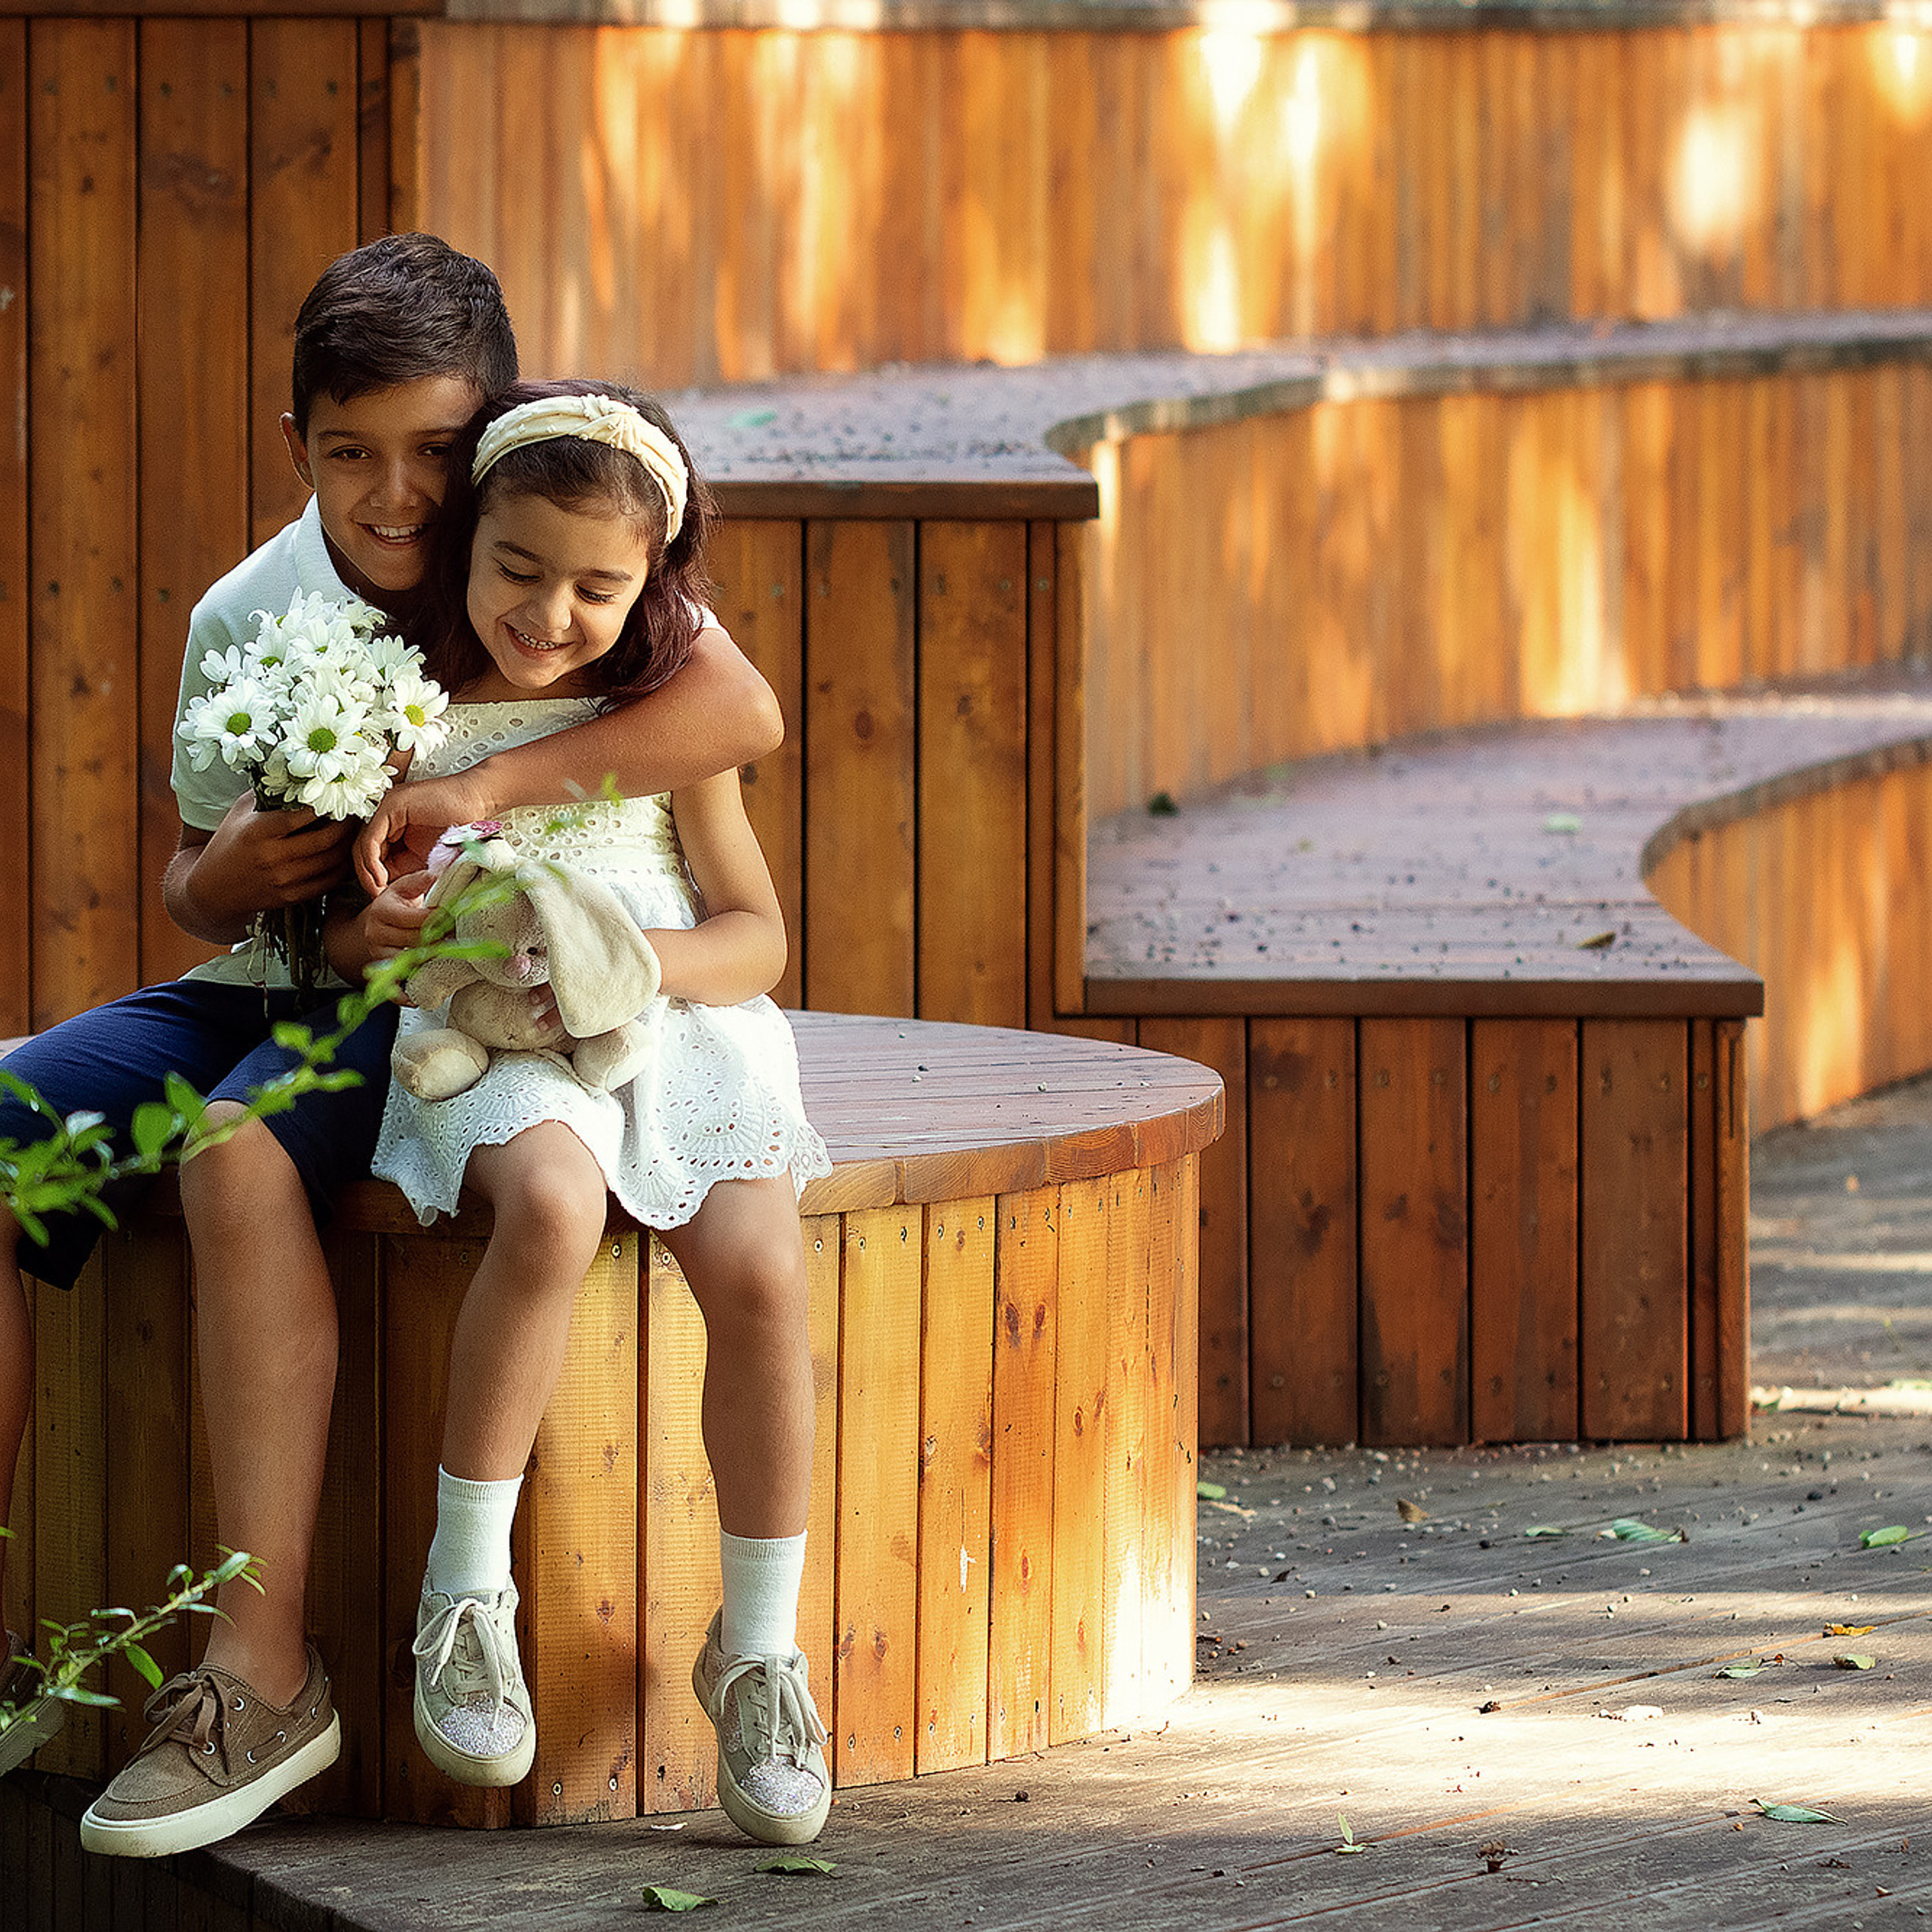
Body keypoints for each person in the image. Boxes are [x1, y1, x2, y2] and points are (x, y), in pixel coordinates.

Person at [0, 233, 782, 1860]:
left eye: (435, 448)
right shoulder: (251, 609)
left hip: (425, 995)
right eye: (352, 453)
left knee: (234, 1150)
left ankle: (260, 1665)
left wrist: (476, 796)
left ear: (493, 430)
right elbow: (193, 879)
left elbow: (735, 714)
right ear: (296, 442)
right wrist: (226, 876)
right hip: (278, 973)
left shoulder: (532, 565)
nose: (398, 493)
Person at [337, 380, 834, 1847]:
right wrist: (400, 934)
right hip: (480, 1028)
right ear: (465, 542)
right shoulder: (410, 713)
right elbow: (353, 931)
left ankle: (758, 1648)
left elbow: (756, 935)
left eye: (597, 588)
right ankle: (465, 1591)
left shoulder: (661, 716)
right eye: (518, 568)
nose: (551, 615)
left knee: (763, 1268)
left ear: (651, 581)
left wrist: (628, 967)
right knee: (551, 1208)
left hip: (672, 1019)